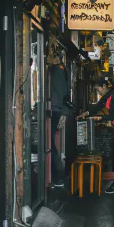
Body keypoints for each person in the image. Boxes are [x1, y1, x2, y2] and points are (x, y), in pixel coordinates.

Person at [77, 79, 114, 194]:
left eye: (98, 89)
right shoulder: (108, 96)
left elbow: (112, 115)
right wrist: (86, 113)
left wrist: (99, 118)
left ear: (103, 86)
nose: (98, 92)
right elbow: (98, 106)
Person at [48, 50, 70, 188]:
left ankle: (57, 177)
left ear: (57, 58)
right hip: (58, 109)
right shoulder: (63, 70)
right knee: (51, 144)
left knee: (50, 145)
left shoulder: (57, 71)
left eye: (51, 55)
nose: (49, 57)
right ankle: (58, 177)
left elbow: (56, 93)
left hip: (54, 110)